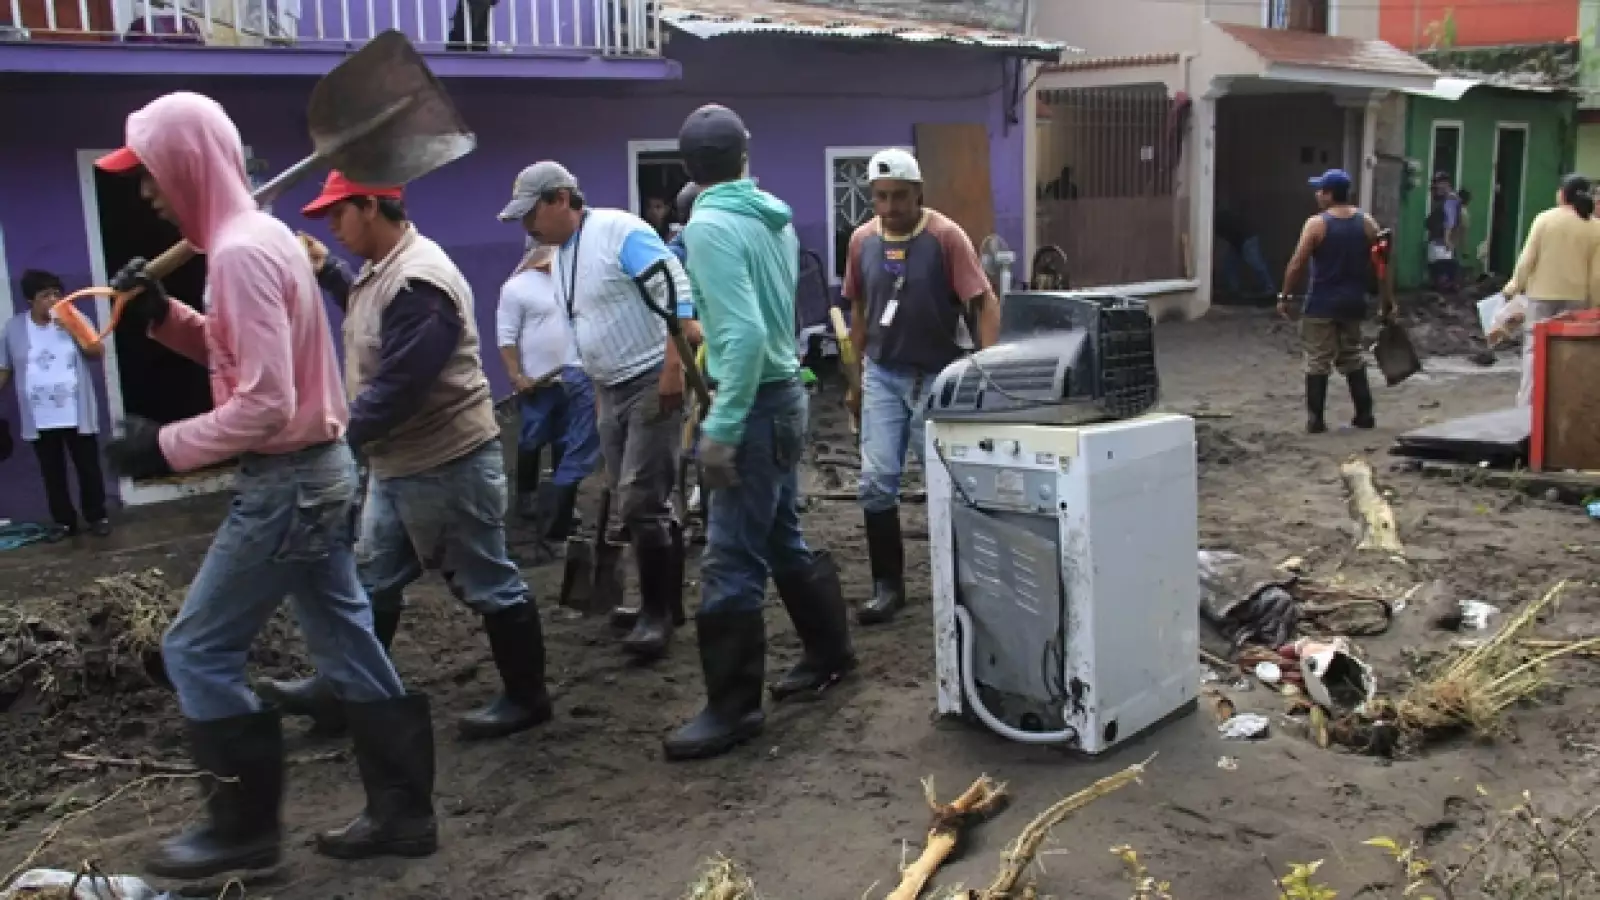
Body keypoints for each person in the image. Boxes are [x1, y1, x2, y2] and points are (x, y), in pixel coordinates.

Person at [94, 92, 434, 877]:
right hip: (319, 474)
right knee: (348, 642)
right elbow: (235, 350)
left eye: (149, 173)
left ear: (185, 164)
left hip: (286, 481)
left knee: (197, 650)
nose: (146, 191)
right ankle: (404, 814)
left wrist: (164, 448)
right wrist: (161, 315)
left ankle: (243, 835)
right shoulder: (262, 240)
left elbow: (264, 402)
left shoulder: (242, 253)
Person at [258, 171, 552, 743]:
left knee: (487, 581)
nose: (332, 228)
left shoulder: (422, 281)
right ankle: (344, 689)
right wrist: (330, 275)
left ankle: (527, 697)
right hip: (399, 462)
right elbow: (378, 330)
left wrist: (332, 442)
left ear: (370, 205)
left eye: (338, 215)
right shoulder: (384, 273)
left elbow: (401, 383)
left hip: (447, 460)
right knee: (371, 579)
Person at [662, 105, 855, 761]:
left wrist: (721, 424)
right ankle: (831, 651)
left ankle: (733, 710)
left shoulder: (709, 227)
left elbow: (739, 335)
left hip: (756, 402)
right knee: (778, 536)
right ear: (743, 156)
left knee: (729, 558)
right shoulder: (769, 213)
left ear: (689, 166)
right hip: (785, 392)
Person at [498, 161, 697, 661]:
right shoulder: (562, 251)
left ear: (561, 198)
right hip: (608, 385)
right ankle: (664, 603)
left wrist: (675, 367)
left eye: (532, 214)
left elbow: (676, 292)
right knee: (636, 495)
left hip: (652, 376)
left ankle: (656, 616)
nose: (528, 228)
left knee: (638, 499)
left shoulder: (619, 231)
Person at [844, 148, 999, 626]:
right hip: (883, 376)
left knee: (945, 482)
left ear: (919, 193)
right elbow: (859, 311)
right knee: (875, 481)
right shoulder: (862, 241)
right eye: (880, 197)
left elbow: (983, 301)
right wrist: (853, 380)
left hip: (937, 377)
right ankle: (887, 586)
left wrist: (989, 370)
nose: (889, 208)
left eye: (899, 197)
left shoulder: (945, 237)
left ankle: (960, 582)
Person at [496, 242, 600, 561]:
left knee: (567, 441)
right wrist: (516, 375)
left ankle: (559, 502)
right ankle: (526, 497)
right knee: (532, 436)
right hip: (536, 382)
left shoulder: (571, 280)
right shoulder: (516, 288)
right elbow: (507, 337)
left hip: (571, 378)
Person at [0, 270, 112, 540]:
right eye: (45, 296)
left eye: (56, 294)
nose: (52, 300)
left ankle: (97, 516)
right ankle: (64, 522)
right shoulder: (14, 328)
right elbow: (5, 368)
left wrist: (74, 330)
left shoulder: (74, 318)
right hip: (40, 416)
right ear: (30, 300)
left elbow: (97, 352)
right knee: (52, 471)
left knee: (87, 466)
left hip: (76, 410)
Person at [1277, 169, 1387, 434]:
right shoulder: (1367, 222)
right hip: (1353, 303)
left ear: (1329, 194)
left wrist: (1285, 295)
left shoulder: (1317, 224)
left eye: (1320, 190)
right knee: (1352, 356)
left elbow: (1297, 263)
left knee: (1317, 359)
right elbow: (1382, 263)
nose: (1317, 194)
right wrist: (1387, 300)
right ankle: (1365, 414)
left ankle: (1316, 420)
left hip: (1321, 303)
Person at [1496, 174, 1600, 407]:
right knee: (1571, 352)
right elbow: (1596, 275)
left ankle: (1527, 405)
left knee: (1534, 350)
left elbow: (1527, 259)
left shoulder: (1545, 220)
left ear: (1563, 194)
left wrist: (1513, 286)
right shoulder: (1595, 227)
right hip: (1577, 301)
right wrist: (1594, 305)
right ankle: (1565, 405)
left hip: (1541, 297)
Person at [1215, 205, 1276, 298]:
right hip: (1238, 239)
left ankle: (1269, 288)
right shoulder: (1220, 216)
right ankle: (1234, 289)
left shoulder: (1216, 219)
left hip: (1246, 238)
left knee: (1256, 263)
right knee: (1230, 265)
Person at [1425, 172, 1463, 291]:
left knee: (1442, 269)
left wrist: (1447, 239)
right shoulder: (1446, 199)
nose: (1436, 187)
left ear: (1446, 184)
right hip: (1439, 239)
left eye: (1438, 184)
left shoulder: (1450, 200)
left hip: (1442, 241)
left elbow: (1449, 220)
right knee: (1439, 268)